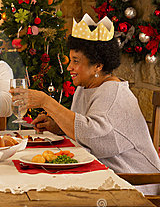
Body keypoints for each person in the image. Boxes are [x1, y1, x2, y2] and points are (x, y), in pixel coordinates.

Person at [11, 14, 160, 194]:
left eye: (76, 61)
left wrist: (46, 101)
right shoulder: (85, 87)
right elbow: (84, 128)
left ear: (97, 65)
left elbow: (94, 138)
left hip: (135, 185)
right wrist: (58, 127)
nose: (69, 68)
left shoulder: (113, 93)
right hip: (106, 177)